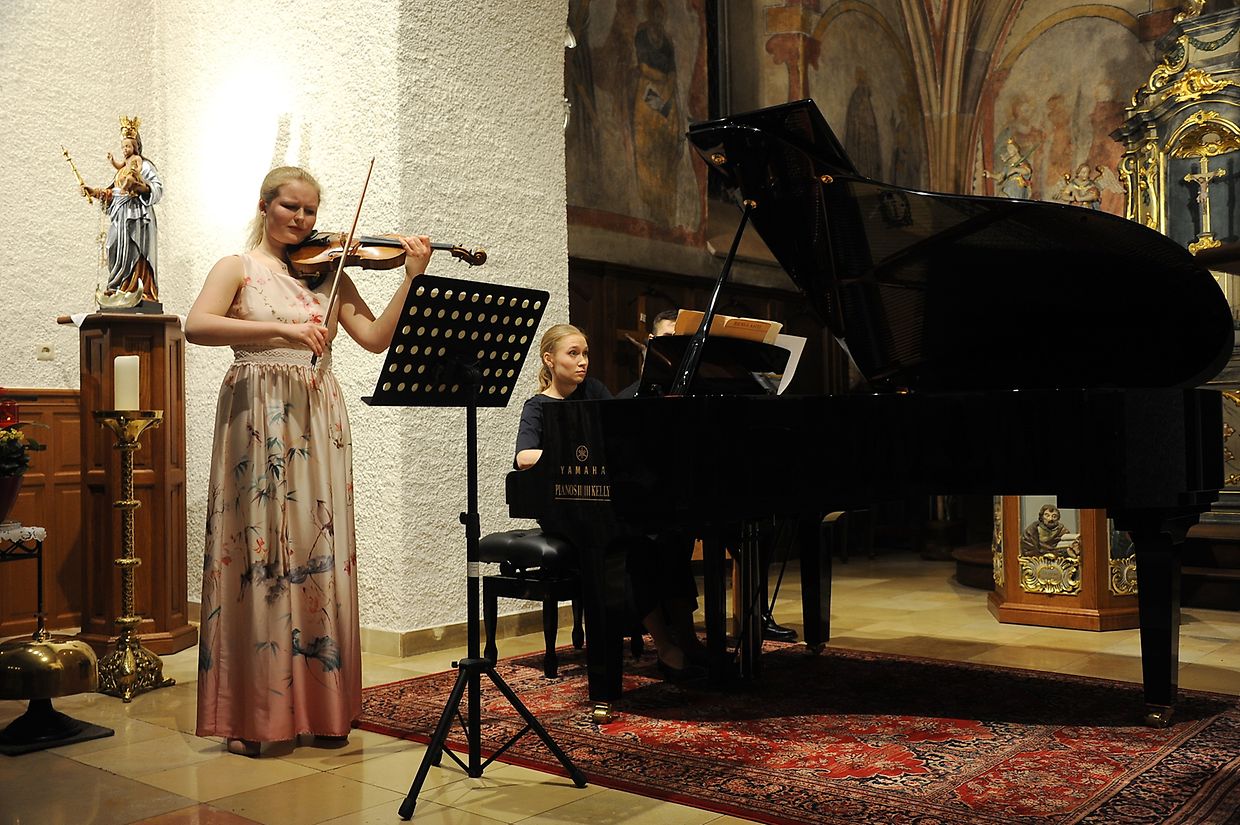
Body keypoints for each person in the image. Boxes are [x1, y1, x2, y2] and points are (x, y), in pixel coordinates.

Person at [186, 165, 432, 757]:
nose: (301, 220)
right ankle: (255, 715)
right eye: (290, 207)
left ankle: (325, 711)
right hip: (257, 411)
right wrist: (287, 329)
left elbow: (375, 338)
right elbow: (196, 325)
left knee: (316, 546)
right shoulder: (238, 267)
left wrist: (412, 278)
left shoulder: (331, 274)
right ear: (264, 206)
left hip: (317, 415)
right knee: (259, 549)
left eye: (311, 211)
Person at [514, 323, 706, 680]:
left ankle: (688, 639)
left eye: (585, 353)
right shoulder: (538, 406)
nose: (582, 361)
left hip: (602, 501)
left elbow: (620, 435)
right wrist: (569, 454)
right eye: (573, 353)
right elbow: (524, 457)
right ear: (549, 359)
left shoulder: (594, 391)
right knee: (631, 548)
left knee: (667, 540)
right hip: (564, 510)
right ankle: (665, 646)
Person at [83, 117, 164, 302]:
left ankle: (137, 289)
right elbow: (113, 192)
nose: (125, 150)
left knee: (135, 250)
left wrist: (140, 187)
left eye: (128, 146)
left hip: (138, 216)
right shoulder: (121, 169)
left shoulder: (143, 165)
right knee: (113, 245)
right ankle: (117, 287)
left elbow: (157, 188)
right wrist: (95, 192)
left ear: (136, 146)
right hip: (120, 215)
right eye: (123, 147)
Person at [616, 308, 678, 399]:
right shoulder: (625, 398)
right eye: (667, 338)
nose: (673, 344)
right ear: (651, 340)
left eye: (679, 338)